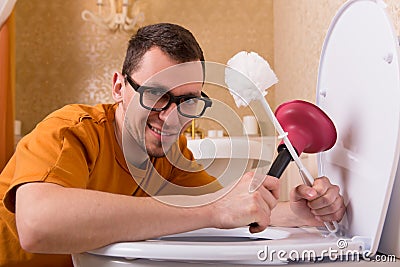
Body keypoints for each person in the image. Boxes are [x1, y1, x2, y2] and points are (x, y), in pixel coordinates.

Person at [0, 23, 345, 267]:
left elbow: (229, 213)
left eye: (188, 101)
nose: (170, 119)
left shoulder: (171, 154)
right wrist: (211, 211)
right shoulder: (69, 132)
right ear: (119, 87)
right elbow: (37, 226)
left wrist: (294, 214)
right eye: (154, 95)